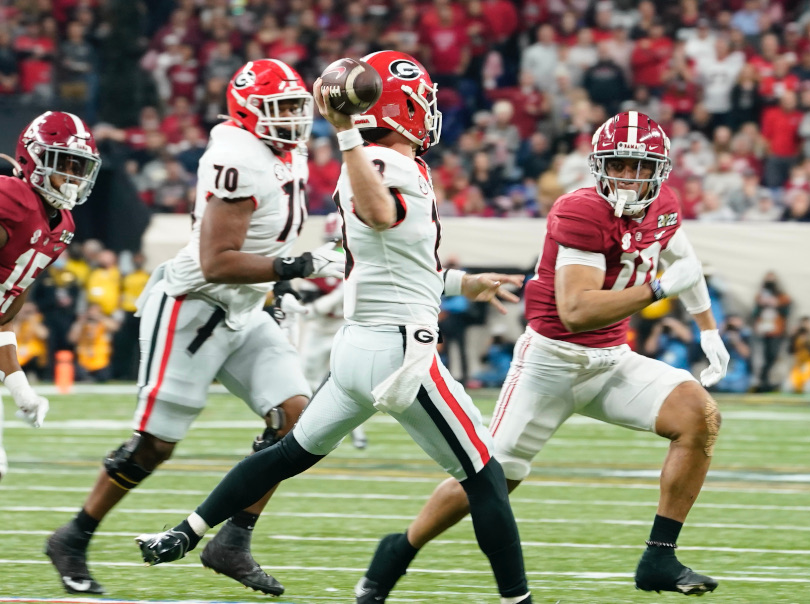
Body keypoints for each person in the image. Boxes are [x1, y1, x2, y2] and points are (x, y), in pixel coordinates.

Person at [133, 51, 535, 604]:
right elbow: (380, 214)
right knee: (486, 478)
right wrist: (345, 132)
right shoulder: (381, 163)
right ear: (402, 110)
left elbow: (393, 264)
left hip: (357, 349)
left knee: (288, 455)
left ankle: (186, 532)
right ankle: (519, 600)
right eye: (422, 101)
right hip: (401, 353)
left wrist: (465, 282)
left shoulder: (379, 162)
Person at [355, 110, 728, 599]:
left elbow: (685, 259)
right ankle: (398, 551)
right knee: (493, 480)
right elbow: (576, 310)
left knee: (699, 415)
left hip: (612, 360)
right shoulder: (582, 210)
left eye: (640, 167)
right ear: (599, 165)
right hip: (550, 364)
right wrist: (657, 288)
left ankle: (659, 556)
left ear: (659, 170)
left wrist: (708, 330)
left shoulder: (664, 206)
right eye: (619, 164)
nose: (629, 177)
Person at [46, 59, 344, 597]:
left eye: (296, 109)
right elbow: (216, 261)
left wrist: (276, 286)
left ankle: (232, 541)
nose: (293, 122)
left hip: (245, 307)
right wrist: (294, 268)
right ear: (248, 111)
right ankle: (74, 535)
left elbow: (265, 240)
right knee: (155, 446)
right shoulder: (236, 159)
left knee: (297, 419)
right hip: (193, 305)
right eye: (279, 111)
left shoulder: (285, 150)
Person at [0, 111, 101, 483]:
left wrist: (19, 388)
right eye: (64, 164)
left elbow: (4, 316)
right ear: (34, 159)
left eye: (80, 166)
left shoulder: (62, 227)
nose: (73, 177)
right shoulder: (11, 200)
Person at [290, 211, 366, 449]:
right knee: (308, 378)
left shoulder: (361, 262)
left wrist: (327, 303)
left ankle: (356, 430)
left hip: (344, 326)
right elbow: (307, 299)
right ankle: (314, 425)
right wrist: (323, 303)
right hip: (319, 327)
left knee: (348, 380)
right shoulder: (322, 258)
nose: (339, 245)